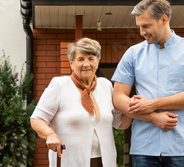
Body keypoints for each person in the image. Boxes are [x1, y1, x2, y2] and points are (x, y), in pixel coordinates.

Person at [111, 0, 184, 166]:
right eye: (139, 26)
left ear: (164, 20)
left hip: (179, 147)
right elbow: (118, 97)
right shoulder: (133, 53)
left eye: (146, 26)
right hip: (143, 147)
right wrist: (153, 117)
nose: (141, 32)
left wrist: (153, 104)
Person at [31, 37, 132, 167]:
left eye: (91, 58)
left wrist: (132, 106)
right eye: (80, 59)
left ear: (98, 62)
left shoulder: (106, 86)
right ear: (71, 63)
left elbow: (120, 123)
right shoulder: (59, 85)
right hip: (70, 160)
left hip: (104, 161)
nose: (86, 64)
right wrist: (50, 135)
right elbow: (37, 119)